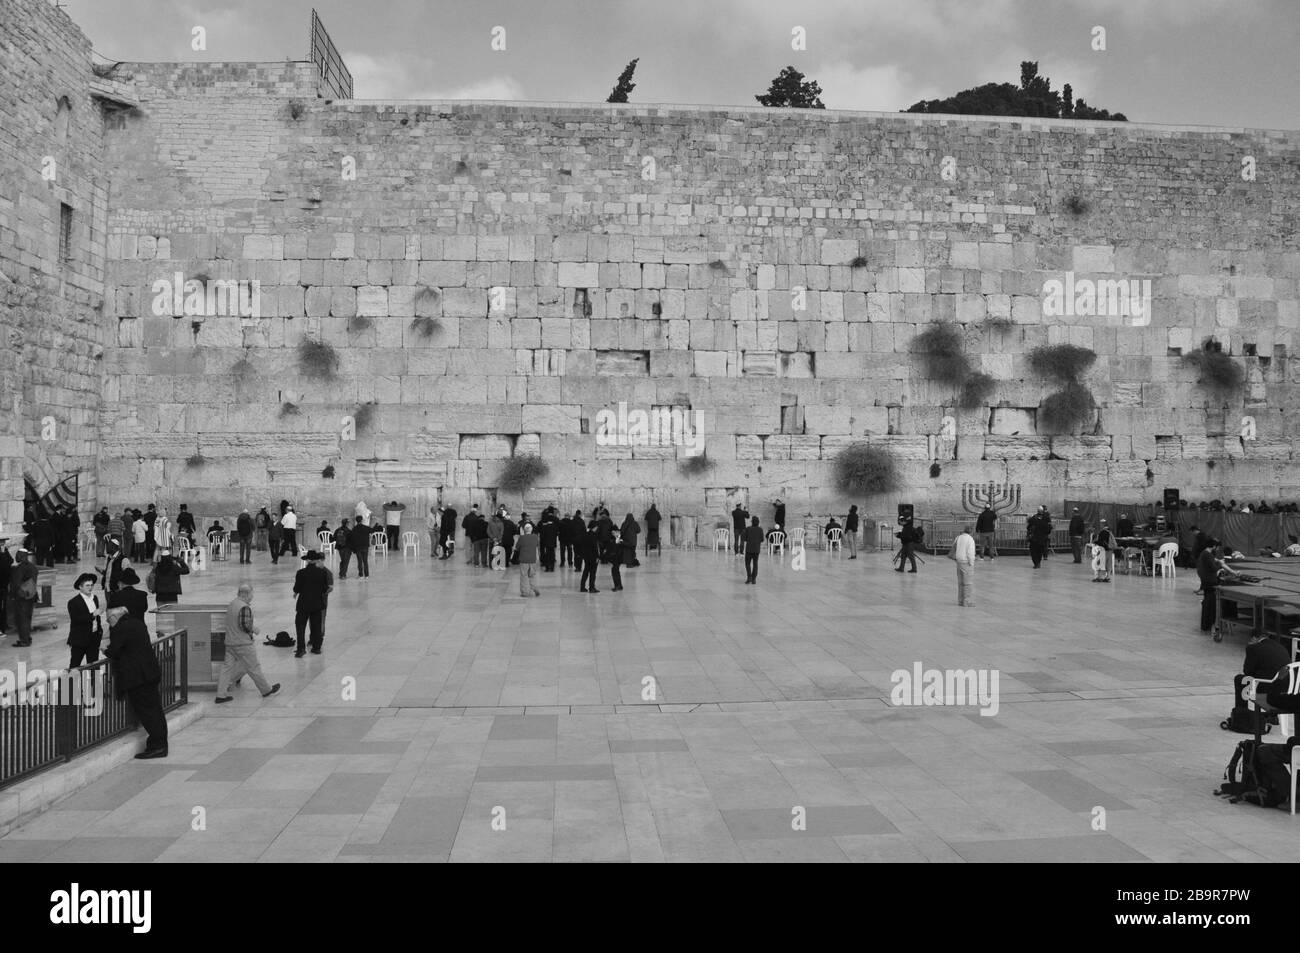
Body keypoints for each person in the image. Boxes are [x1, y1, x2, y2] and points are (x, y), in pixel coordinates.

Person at [104, 606, 167, 759]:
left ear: (114, 617)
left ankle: (158, 746)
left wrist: (104, 650)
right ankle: (159, 743)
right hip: (150, 673)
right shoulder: (137, 623)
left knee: (148, 712)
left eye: (108, 620)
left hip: (138, 678)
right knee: (156, 710)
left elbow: (114, 651)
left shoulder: (120, 628)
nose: (108, 623)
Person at [215, 583, 280, 703]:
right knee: (254, 667)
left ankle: (220, 695)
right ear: (246, 594)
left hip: (230, 643)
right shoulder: (244, 607)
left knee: (226, 668)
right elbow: (244, 625)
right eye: (252, 594)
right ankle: (266, 690)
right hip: (242, 644)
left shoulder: (232, 604)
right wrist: (254, 630)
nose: (252, 596)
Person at [1233, 629, 1290, 711]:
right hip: (1286, 685)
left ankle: (1242, 712)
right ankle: (1272, 717)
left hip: (1267, 685)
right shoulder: (1280, 646)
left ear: (1253, 638)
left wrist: (1250, 649)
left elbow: (1248, 671)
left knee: (1240, 679)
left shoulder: (1253, 648)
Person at [293, 551, 330, 656]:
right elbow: (324, 589)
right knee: (316, 626)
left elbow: (297, 588)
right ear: (316, 560)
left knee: (300, 627)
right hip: (317, 603)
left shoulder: (300, 573)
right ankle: (316, 648)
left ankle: (301, 649)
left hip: (303, 604)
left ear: (308, 560)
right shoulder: (322, 573)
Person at [67, 572, 106, 668]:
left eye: (92, 585)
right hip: (79, 639)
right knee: (75, 665)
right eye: (87, 585)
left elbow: (97, 619)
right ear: (80, 587)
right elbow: (76, 619)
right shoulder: (73, 602)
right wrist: (93, 615)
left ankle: (94, 683)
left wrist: (99, 632)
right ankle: (70, 683)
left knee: (94, 665)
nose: (90, 587)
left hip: (93, 638)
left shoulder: (95, 598)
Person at [8, 548, 38, 646]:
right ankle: (27, 638)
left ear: (21, 556)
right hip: (31, 595)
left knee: (22, 619)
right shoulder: (32, 566)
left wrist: (12, 595)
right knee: (27, 618)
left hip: (22, 597)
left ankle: (24, 641)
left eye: (17, 555)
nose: (16, 557)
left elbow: (16, 584)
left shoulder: (20, 568)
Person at [513, 522, 541, 597]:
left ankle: (525, 592)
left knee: (524, 576)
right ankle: (535, 588)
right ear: (531, 529)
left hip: (523, 559)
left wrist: (522, 535)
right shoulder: (535, 537)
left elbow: (517, 547)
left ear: (524, 530)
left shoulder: (522, 538)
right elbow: (537, 545)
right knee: (532, 575)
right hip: (532, 559)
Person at [951, 525, 977, 606]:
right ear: (971, 531)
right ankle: (967, 601)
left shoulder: (958, 537)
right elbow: (970, 552)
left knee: (961, 582)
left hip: (959, 561)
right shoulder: (970, 539)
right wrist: (971, 562)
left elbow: (954, 548)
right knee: (968, 583)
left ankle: (960, 600)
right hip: (966, 562)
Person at [579, 521, 601, 593]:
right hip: (593, 557)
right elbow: (595, 547)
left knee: (586, 571)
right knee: (592, 572)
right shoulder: (594, 535)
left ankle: (582, 587)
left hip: (586, 556)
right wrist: (598, 557)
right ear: (594, 527)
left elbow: (582, 545)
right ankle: (592, 587)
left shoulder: (585, 534)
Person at [743, 516, 765, 584]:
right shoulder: (760, 529)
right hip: (756, 549)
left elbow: (745, 539)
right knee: (755, 564)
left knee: (747, 563)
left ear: (752, 522)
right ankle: (754, 579)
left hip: (749, 549)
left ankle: (749, 577)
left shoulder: (748, 529)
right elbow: (762, 539)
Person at [0, 543, 11, 636]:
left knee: (3, 607)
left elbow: (11, 560)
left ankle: (4, 626)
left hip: (4, 585)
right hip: (2, 585)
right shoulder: (3, 553)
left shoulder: (5, 551)